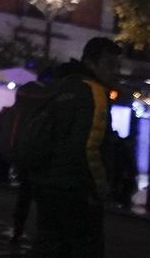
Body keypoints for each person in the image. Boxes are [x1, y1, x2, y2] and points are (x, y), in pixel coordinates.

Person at [29, 35, 125, 258]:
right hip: (77, 191)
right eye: (110, 65)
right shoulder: (95, 93)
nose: (115, 71)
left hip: (47, 184)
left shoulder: (62, 85)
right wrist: (101, 188)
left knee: (48, 246)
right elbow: (88, 147)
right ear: (91, 63)